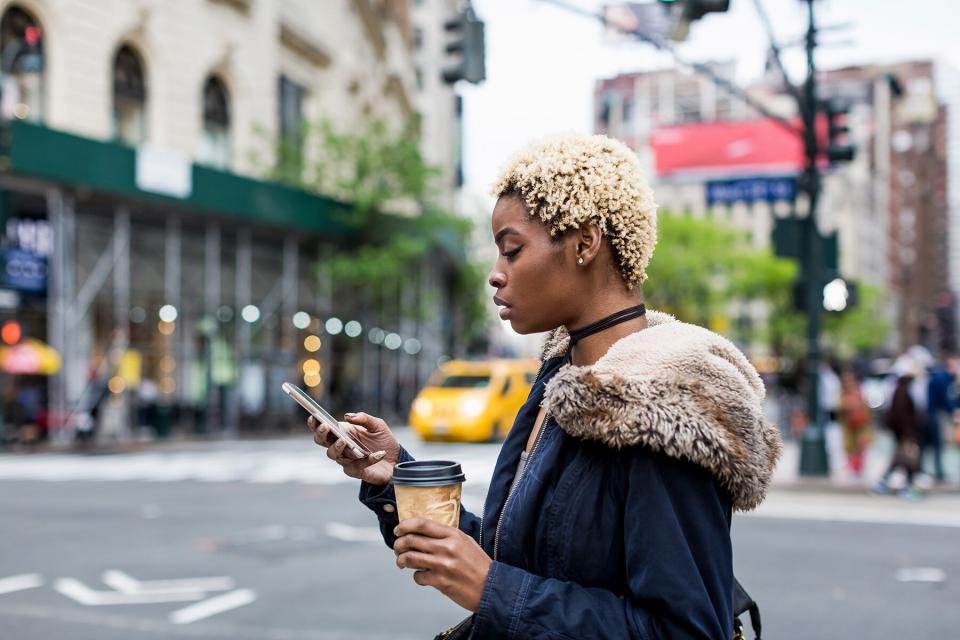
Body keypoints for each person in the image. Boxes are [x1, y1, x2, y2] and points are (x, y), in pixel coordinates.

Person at [307, 133, 783, 639]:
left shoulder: (665, 407)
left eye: (512, 250)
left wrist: (491, 589)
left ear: (585, 242)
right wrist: (395, 478)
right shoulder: (559, 381)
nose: (495, 274)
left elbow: (686, 632)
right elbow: (522, 562)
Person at [924, 356, 956, 483]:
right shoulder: (942, 379)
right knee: (938, 444)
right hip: (936, 414)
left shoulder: (940, 377)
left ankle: (936, 471)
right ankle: (939, 472)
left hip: (934, 413)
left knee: (936, 445)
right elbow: (945, 398)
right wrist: (953, 410)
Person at [838, 367, 871, 477]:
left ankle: (858, 469)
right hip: (848, 425)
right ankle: (852, 468)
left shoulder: (859, 391)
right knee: (849, 447)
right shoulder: (842, 392)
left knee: (860, 446)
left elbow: (866, 407)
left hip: (860, 424)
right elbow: (840, 406)